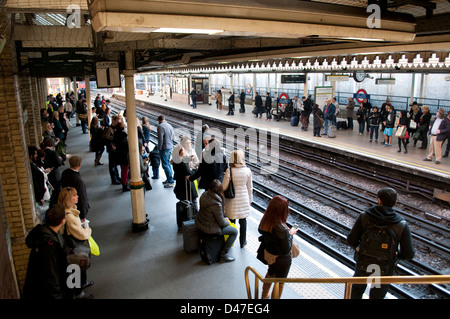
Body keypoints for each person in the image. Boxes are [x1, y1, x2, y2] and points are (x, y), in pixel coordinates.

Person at [347, 187, 415, 299]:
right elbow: (409, 254)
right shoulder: (401, 224)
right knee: (377, 296)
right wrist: (394, 254)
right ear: (395, 203)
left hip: (363, 263)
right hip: (384, 269)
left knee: (356, 293)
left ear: (379, 200)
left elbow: (351, 240)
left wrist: (362, 247)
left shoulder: (365, 216)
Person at [22, 204, 73, 299]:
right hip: (50, 291)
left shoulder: (45, 231)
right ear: (63, 221)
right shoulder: (49, 245)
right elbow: (51, 276)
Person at [258, 195, 298, 299]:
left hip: (270, 255)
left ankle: (264, 296)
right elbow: (286, 249)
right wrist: (291, 234)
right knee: (280, 282)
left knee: (270, 275)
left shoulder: (265, 221)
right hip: (282, 260)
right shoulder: (282, 230)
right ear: (282, 211)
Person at [58, 187, 94, 299]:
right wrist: (87, 228)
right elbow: (82, 234)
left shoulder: (66, 212)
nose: (77, 197)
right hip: (74, 246)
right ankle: (78, 293)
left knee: (75, 267)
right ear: (69, 199)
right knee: (76, 267)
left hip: (71, 246)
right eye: (74, 195)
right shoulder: (70, 217)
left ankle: (80, 286)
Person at [195, 179, 238, 263]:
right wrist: (228, 222)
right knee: (234, 231)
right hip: (210, 228)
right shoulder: (216, 204)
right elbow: (221, 223)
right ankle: (223, 255)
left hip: (200, 222)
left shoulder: (204, 194)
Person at [222, 149, 252, 248]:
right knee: (243, 221)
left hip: (232, 200)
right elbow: (249, 187)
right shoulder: (247, 170)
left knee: (231, 221)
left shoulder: (229, 170)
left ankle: (231, 241)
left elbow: (224, 187)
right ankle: (243, 242)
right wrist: (250, 200)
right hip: (244, 198)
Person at [61, 156, 89, 221]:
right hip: (77, 207)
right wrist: (83, 215)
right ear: (80, 164)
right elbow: (82, 197)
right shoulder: (79, 181)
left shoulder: (65, 172)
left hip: (66, 202)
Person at [172, 146, 198, 210]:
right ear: (180, 153)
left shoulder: (175, 160)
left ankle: (184, 216)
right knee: (194, 200)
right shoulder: (182, 162)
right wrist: (194, 170)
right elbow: (189, 173)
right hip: (186, 186)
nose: (185, 152)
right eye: (183, 150)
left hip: (180, 185)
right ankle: (195, 213)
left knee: (183, 202)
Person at [157, 115, 175, 187]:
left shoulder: (160, 126)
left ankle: (170, 181)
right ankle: (169, 179)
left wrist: (159, 148)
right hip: (170, 147)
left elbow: (160, 139)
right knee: (168, 164)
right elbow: (173, 138)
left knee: (165, 164)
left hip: (164, 148)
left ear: (159, 120)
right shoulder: (170, 125)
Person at [114, 122, 130, 191]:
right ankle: (124, 185)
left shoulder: (115, 134)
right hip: (124, 155)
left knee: (123, 170)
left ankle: (124, 183)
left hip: (118, 154)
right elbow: (126, 146)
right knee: (125, 170)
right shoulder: (123, 135)